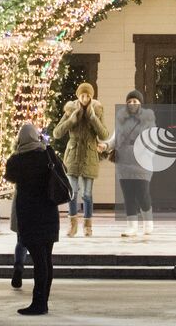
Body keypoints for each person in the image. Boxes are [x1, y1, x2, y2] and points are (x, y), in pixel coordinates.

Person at [5, 122, 66, 316]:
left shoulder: (17, 160)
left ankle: (39, 303)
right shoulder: (47, 154)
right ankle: (42, 300)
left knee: (39, 261)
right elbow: (61, 171)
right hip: (49, 215)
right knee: (46, 260)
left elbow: (9, 176)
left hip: (30, 217)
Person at [52, 81, 109, 237]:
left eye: (88, 95)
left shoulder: (96, 109)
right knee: (72, 192)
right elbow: (57, 133)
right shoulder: (71, 109)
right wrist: (71, 120)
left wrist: (93, 118)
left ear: (91, 96)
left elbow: (104, 135)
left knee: (87, 194)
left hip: (89, 155)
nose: (85, 98)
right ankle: (72, 225)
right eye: (82, 95)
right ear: (78, 95)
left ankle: (88, 225)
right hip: (73, 155)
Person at [109, 89, 157, 237]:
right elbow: (114, 138)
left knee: (142, 194)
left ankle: (148, 221)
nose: (132, 104)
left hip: (141, 163)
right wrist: (105, 145)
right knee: (128, 195)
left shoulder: (148, 121)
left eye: (135, 101)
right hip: (124, 163)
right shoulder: (121, 120)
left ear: (140, 104)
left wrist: (145, 154)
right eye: (129, 102)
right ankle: (132, 226)